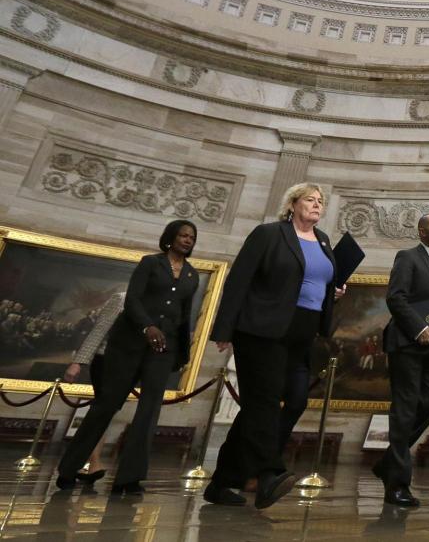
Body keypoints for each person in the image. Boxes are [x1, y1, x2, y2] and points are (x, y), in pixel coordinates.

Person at [204, 183, 346, 509]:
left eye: (320, 201)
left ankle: (223, 481)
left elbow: (316, 283)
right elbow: (239, 280)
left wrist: (333, 293)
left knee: (291, 400)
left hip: (303, 332)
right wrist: (224, 328)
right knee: (265, 401)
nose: (317, 205)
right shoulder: (269, 234)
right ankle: (269, 471)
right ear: (292, 203)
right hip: (262, 329)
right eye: (310, 199)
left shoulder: (324, 241)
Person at [56, 220, 200, 494]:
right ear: (170, 237)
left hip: (163, 350)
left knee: (149, 411)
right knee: (106, 405)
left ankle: (129, 478)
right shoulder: (150, 263)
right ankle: (69, 469)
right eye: (183, 235)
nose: (187, 240)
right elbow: (133, 299)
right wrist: (147, 326)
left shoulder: (192, 276)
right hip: (129, 345)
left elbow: (184, 317)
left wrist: (182, 354)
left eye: (191, 237)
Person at [373, 213, 429, 507]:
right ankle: (397, 485)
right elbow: (395, 298)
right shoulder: (407, 257)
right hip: (406, 344)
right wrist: (419, 328)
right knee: (405, 410)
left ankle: (388, 462)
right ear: (422, 231)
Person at [62, 290, 126, 484]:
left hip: (127, 363)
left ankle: (92, 462)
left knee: (107, 411)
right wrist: (78, 362)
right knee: (102, 410)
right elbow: (99, 330)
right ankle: (90, 461)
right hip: (105, 359)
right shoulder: (121, 298)